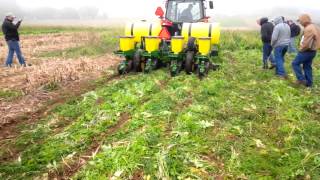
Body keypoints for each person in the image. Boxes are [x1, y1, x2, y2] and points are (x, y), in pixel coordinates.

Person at [291, 14, 320, 87]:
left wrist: (301, 50)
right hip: (313, 51)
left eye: (300, 21)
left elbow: (307, 43)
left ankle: (301, 79)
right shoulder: (315, 27)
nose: (300, 23)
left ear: (304, 20)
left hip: (307, 51)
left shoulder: (309, 28)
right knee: (307, 66)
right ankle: (309, 84)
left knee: (295, 63)